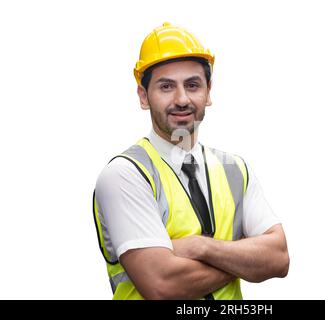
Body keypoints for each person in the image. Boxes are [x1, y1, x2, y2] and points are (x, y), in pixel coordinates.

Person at [93, 22, 289, 300]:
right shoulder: (125, 175)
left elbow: (279, 259)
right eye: (166, 86)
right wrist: (246, 260)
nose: (182, 99)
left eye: (193, 85)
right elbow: (162, 285)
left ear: (208, 92)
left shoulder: (235, 170)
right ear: (143, 96)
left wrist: (200, 247)